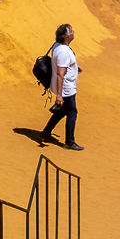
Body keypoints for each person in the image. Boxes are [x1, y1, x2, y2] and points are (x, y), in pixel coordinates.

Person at [41, 23, 84, 151]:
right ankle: (69, 142)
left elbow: (63, 64)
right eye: (71, 31)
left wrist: (75, 68)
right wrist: (59, 95)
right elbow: (60, 74)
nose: (73, 32)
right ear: (66, 37)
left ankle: (45, 133)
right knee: (72, 112)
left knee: (63, 111)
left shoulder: (58, 46)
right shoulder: (64, 51)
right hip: (66, 89)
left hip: (62, 87)